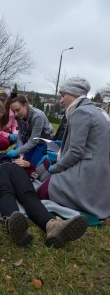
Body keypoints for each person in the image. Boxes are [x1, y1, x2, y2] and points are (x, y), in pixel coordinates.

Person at [38, 77, 110, 219]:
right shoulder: (96, 112)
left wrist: (57, 168)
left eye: (63, 95)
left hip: (85, 172)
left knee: (41, 192)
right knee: (44, 174)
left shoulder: (81, 112)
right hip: (99, 174)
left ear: (74, 94)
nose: (61, 100)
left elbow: (76, 151)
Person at [0, 153, 88, 248]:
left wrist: (27, 163)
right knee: (5, 192)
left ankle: (53, 226)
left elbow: (33, 170)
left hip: (16, 168)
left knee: (29, 195)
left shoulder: (15, 156)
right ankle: (14, 223)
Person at [6, 94, 54, 166]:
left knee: (32, 165)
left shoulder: (38, 116)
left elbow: (34, 140)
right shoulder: (18, 116)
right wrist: (19, 146)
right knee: (20, 161)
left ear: (25, 105)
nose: (16, 113)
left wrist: (18, 151)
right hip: (30, 139)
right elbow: (21, 132)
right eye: (13, 110)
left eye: (18, 110)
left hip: (43, 142)